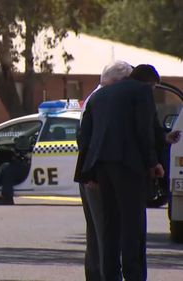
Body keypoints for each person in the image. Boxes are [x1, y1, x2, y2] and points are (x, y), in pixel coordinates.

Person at [77, 64, 163, 281]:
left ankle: (111, 275)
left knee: (110, 226)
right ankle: (134, 275)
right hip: (128, 165)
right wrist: (153, 162)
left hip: (102, 167)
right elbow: (143, 130)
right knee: (133, 226)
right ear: (148, 83)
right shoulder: (141, 91)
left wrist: (89, 173)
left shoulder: (97, 96)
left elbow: (84, 137)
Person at [74, 60, 133, 281]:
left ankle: (96, 275)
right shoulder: (102, 100)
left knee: (96, 233)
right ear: (118, 81)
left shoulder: (94, 97)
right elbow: (90, 141)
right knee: (104, 231)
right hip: (96, 175)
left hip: (90, 173)